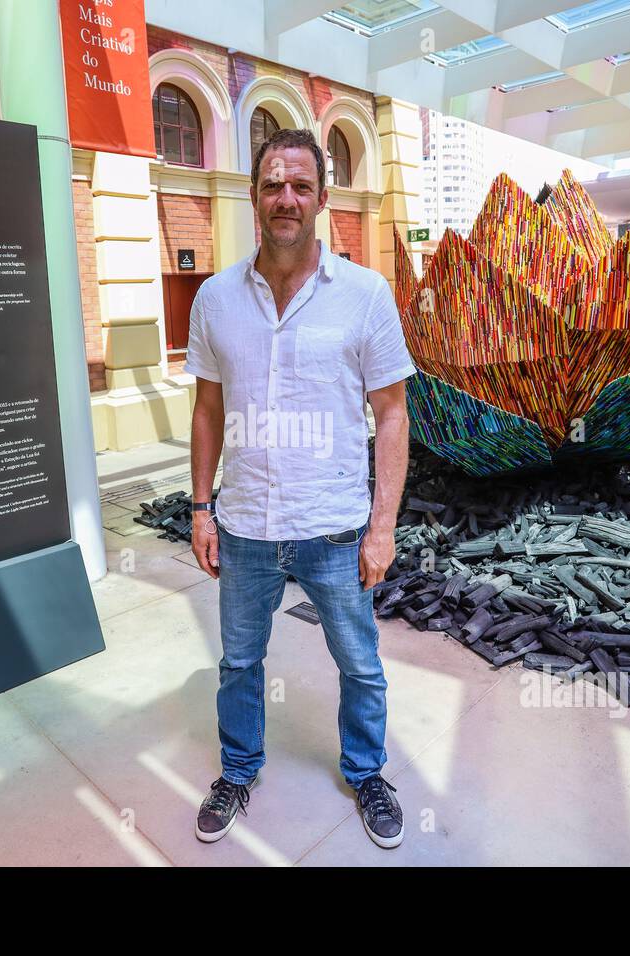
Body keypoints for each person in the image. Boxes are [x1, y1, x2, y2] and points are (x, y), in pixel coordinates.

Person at [184, 127, 416, 849]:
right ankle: (239, 768)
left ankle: (367, 771)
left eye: (301, 186)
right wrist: (200, 508)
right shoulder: (217, 298)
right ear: (254, 194)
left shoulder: (365, 294)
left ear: (321, 198)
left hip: (335, 524)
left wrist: (383, 526)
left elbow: (392, 413)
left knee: (358, 660)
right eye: (273, 184)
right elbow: (207, 409)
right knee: (240, 662)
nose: (287, 198)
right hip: (248, 522)